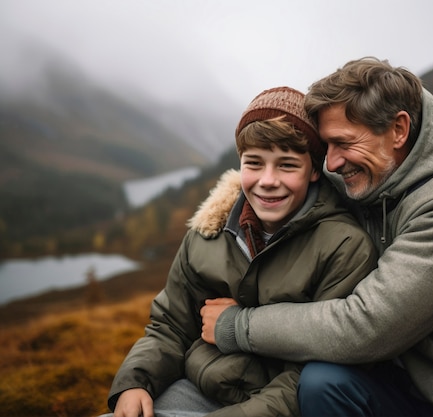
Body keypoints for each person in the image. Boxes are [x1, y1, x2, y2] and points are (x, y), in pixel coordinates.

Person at [201, 57, 433, 417]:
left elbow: (366, 327)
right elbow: (277, 179)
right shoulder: (367, 175)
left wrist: (239, 326)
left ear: (398, 130)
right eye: (326, 146)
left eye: (343, 144)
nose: (331, 164)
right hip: (393, 384)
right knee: (321, 383)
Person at [105, 86, 378, 417]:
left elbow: (310, 375)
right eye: (254, 163)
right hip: (196, 389)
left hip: (284, 405)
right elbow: (171, 326)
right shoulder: (208, 233)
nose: (267, 180)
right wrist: (135, 382)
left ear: (315, 170)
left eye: (287, 165)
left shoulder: (343, 247)